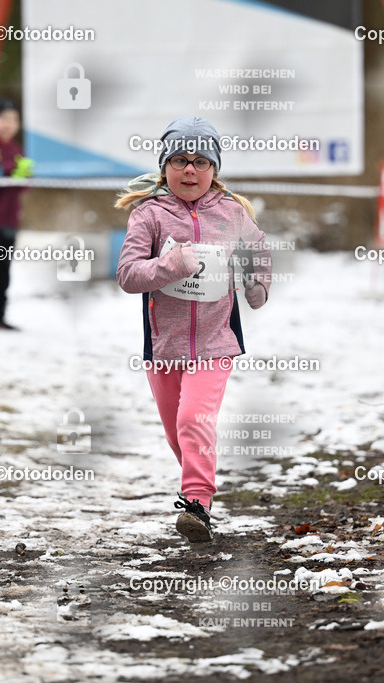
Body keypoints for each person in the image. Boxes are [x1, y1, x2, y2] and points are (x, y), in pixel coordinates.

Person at [115, 116, 272, 543]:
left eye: (202, 162)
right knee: (177, 432)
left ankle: (197, 504)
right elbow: (128, 275)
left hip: (216, 339)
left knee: (192, 418)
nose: (190, 170)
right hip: (163, 345)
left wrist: (257, 284)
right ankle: (196, 486)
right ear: (165, 166)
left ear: (214, 170)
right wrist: (171, 265)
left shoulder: (232, 214)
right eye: (181, 160)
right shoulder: (149, 215)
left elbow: (259, 251)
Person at [0, 98, 32, 330]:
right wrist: (10, 172)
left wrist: (23, 177)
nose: (8, 124)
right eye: (3, 119)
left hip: (10, 218)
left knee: (4, 272)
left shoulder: (16, 148)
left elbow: (19, 187)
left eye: (14, 120)